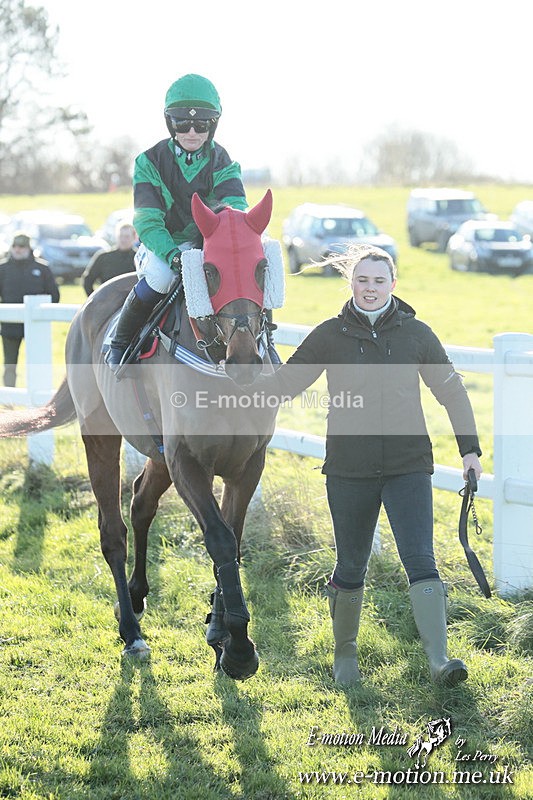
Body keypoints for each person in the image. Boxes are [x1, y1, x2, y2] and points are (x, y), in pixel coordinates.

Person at [254, 244, 482, 688]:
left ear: (392, 285)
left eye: (379, 281)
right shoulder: (329, 335)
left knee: (421, 560)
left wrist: (469, 450)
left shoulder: (417, 334)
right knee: (352, 564)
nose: (370, 288)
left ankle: (439, 659)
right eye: (363, 280)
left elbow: (452, 392)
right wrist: (245, 371)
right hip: (348, 469)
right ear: (351, 284)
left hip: (408, 465)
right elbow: (285, 384)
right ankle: (345, 658)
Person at [106, 73, 247, 371]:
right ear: (171, 123)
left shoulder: (223, 161)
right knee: (159, 277)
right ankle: (120, 342)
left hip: (209, 246)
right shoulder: (149, 161)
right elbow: (148, 221)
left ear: (214, 124)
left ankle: (260, 347)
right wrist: (173, 255)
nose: (192, 131)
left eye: (202, 124)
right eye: (182, 123)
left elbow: (235, 209)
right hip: (163, 246)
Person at [0, 231, 60, 387]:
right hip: (9, 327)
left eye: (21, 246)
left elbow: (54, 295)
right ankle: (8, 402)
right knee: (9, 365)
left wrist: (42, 314)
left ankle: (38, 398)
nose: (18, 249)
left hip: (36, 327)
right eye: (15, 246)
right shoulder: (3, 269)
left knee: (37, 363)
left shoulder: (42, 268)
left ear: (28, 248)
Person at [82, 222, 137, 296]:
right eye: (120, 236)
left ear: (134, 238)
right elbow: (88, 280)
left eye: (127, 236)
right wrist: (96, 300)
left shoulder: (139, 258)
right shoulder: (103, 257)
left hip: (133, 303)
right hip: (108, 303)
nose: (123, 240)